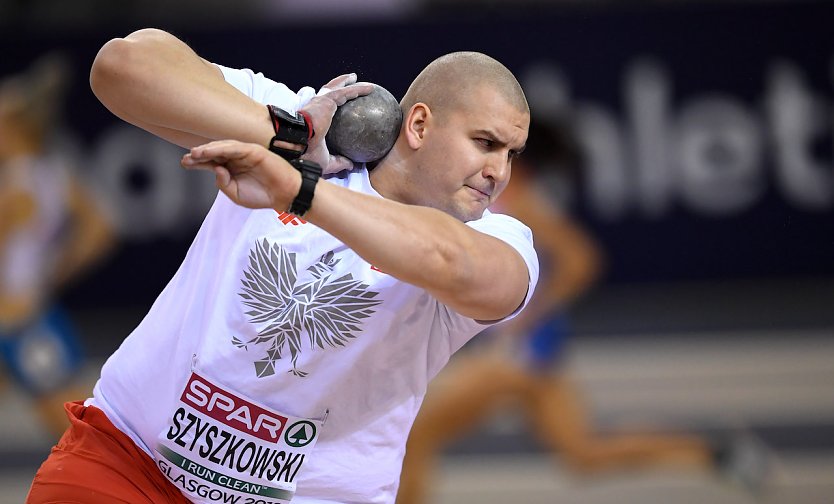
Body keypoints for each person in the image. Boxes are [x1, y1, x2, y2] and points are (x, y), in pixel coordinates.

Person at [26, 28, 538, 504]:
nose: (498, 171)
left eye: (511, 154)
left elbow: (450, 261)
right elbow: (122, 65)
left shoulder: (499, 236)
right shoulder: (302, 124)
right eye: (485, 143)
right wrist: (289, 136)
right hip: (128, 463)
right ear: (420, 124)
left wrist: (298, 188)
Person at [396, 117, 773, 504]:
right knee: (583, 453)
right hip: (534, 354)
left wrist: (525, 314)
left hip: (513, 356)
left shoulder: (518, 195)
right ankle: (712, 451)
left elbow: (581, 259)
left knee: (416, 437)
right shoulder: (508, 191)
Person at [0, 53, 115, 437]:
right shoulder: (53, 175)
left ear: (13, 129)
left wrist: (47, 272)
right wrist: (50, 272)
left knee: (73, 430)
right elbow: (101, 228)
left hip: (19, 323)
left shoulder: (14, 190)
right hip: (26, 313)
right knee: (74, 423)